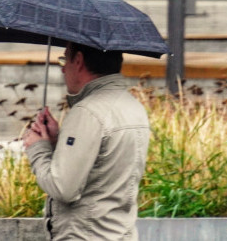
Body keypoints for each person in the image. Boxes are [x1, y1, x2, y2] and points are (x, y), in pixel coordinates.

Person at [24, 42, 150, 240]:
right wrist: (58, 141)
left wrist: (38, 149)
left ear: (79, 60)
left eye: (65, 59)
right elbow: (103, 169)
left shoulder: (88, 112)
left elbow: (63, 188)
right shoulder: (132, 106)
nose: (63, 68)